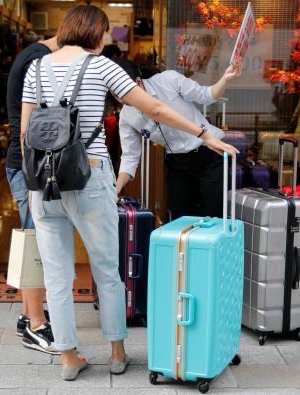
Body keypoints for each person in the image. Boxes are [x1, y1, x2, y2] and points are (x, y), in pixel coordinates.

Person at [20, 5, 238, 381]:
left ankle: (70, 358)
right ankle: (117, 351)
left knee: (56, 273)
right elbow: (152, 106)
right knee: (107, 269)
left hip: (44, 182)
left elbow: (25, 132)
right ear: (96, 32)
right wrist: (203, 133)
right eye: (105, 33)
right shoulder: (102, 66)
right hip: (89, 175)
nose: (106, 40)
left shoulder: (36, 68)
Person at [116, 62, 241, 219]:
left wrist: (226, 78)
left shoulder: (168, 80)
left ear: (138, 81)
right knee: (180, 220)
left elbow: (207, 95)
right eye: (116, 95)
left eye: (124, 92)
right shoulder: (127, 117)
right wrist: (116, 189)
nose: (122, 100)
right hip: (178, 162)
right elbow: (129, 157)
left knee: (215, 216)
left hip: (209, 153)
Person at [6, 33, 59, 354]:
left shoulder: (33, 54)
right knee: (35, 244)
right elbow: (32, 123)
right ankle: (36, 325)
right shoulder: (37, 60)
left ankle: (29, 315)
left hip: (26, 162)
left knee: (33, 240)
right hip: (29, 164)